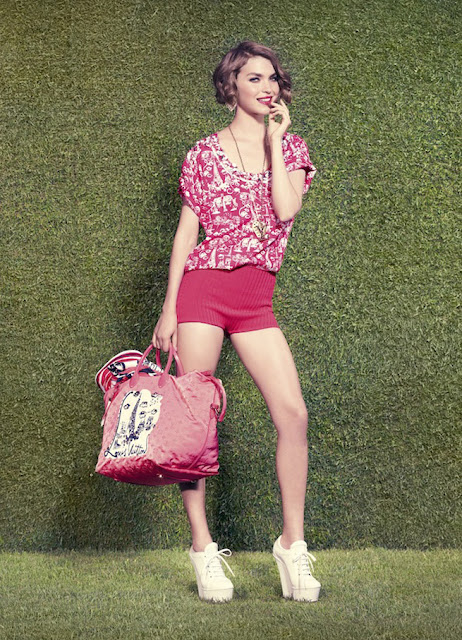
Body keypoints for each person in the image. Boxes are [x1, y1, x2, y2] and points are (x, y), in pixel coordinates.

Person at [152, 40, 321, 603]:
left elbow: (286, 209)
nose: (267, 87)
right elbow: (187, 234)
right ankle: (202, 548)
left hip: (255, 299)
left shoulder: (291, 147)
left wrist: (274, 141)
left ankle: (291, 546)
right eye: (254, 78)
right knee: (194, 423)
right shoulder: (203, 153)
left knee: (293, 414)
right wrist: (169, 309)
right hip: (202, 291)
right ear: (231, 86)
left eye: (272, 78)